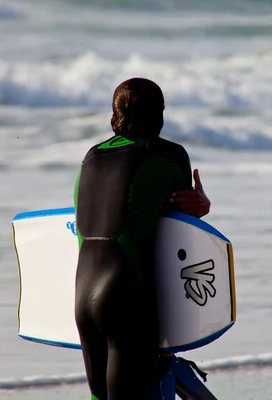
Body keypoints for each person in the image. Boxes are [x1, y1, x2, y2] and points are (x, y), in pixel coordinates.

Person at [73, 77, 210, 400]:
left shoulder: (91, 157)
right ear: (160, 114)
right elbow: (180, 224)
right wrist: (203, 205)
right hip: (126, 296)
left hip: (83, 297)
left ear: (113, 115)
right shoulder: (167, 155)